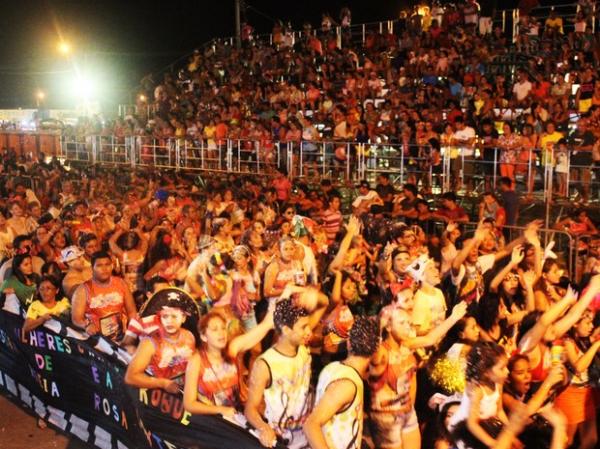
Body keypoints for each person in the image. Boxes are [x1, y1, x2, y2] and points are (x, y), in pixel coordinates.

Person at [369, 301, 467, 449]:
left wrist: (453, 317)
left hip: (408, 412)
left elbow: (430, 339)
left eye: (409, 322)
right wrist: (378, 326)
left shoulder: (407, 344)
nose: (408, 326)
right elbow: (371, 351)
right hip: (387, 417)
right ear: (388, 327)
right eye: (402, 323)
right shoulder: (381, 352)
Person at [245, 290, 327, 449]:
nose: (309, 332)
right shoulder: (265, 364)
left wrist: (303, 292)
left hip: (307, 438)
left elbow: (324, 302)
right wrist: (264, 428)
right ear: (286, 329)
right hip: (281, 442)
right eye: (304, 327)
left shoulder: (302, 346)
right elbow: (250, 408)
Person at [303, 317, 380, 449]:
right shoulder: (347, 385)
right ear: (375, 351)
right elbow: (311, 424)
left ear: (349, 343)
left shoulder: (333, 368)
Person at [125, 288, 197, 392]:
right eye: (165, 316)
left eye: (174, 316)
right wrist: (162, 383)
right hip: (159, 395)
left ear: (183, 318)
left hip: (183, 393)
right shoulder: (149, 342)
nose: (169, 321)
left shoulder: (189, 336)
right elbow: (130, 377)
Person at [448, 341, 510, 449]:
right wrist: (492, 443)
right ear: (486, 372)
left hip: (483, 428)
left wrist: (510, 433)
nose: (507, 371)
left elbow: (499, 411)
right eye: (502, 368)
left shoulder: (498, 383)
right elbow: (472, 424)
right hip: (466, 433)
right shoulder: (477, 391)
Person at [71, 251, 136, 341]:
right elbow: (76, 318)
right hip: (98, 341)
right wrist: (86, 325)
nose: (104, 269)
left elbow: (132, 312)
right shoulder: (82, 290)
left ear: (112, 266)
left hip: (122, 337)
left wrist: (131, 334)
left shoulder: (121, 283)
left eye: (107, 264)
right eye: (99, 265)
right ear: (92, 268)